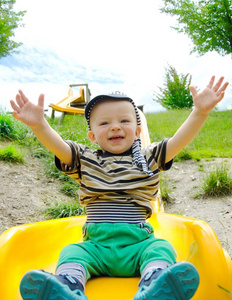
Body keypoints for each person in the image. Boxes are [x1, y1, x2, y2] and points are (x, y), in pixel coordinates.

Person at [10, 76, 228, 300]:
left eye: (124, 121)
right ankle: (68, 288)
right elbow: (59, 146)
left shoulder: (148, 158)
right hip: (95, 246)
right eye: (104, 123)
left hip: (138, 244)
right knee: (71, 252)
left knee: (162, 248)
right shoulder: (84, 159)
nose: (115, 126)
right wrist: (39, 125)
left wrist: (200, 112)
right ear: (92, 136)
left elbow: (178, 141)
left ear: (136, 131)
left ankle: (154, 285)